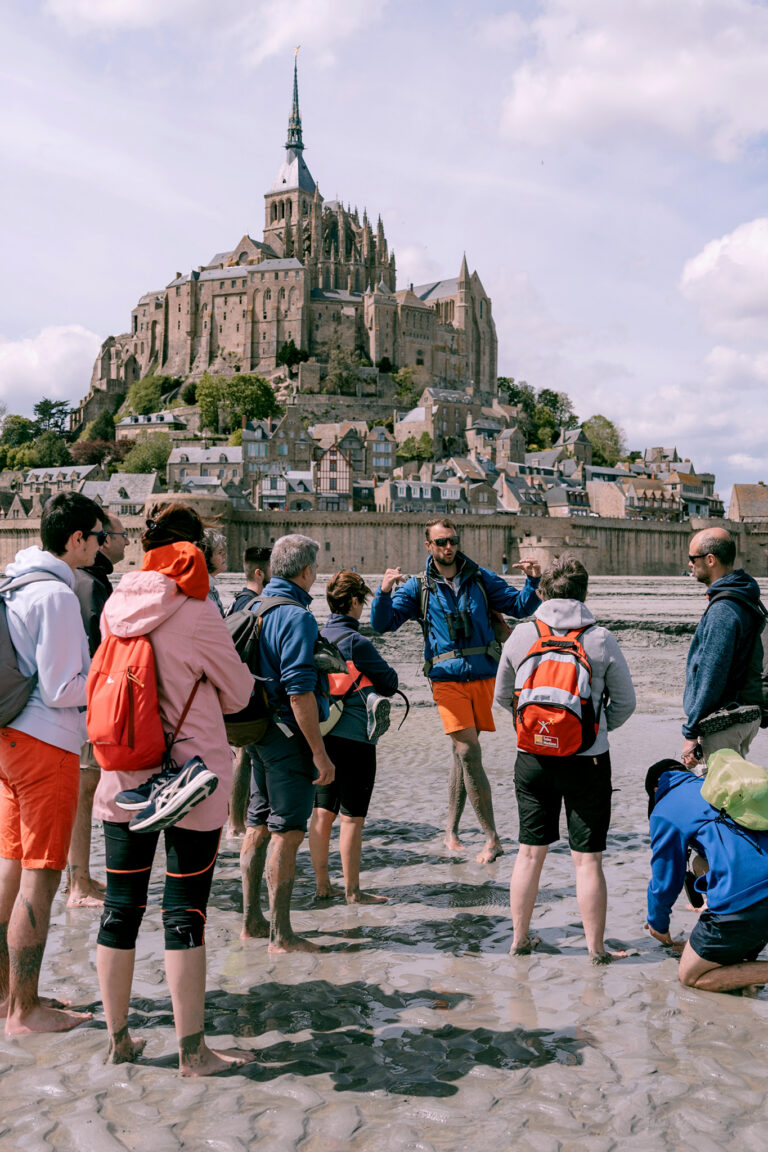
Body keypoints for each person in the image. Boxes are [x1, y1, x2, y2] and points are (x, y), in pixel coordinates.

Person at [91, 501, 255, 1074]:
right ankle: (193, 1053)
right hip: (193, 783)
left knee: (120, 908)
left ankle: (119, 1041)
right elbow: (237, 694)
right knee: (185, 911)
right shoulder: (196, 608)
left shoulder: (116, 606)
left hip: (125, 777)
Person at [370, 519, 541, 863]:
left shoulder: (480, 578)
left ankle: (450, 831)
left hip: (483, 679)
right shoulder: (417, 587)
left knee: (461, 755)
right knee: (468, 752)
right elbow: (382, 624)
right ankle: (492, 838)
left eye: (453, 541)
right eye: (441, 542)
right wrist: (384, 591)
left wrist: (533, 580)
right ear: (428, 546)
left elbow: (520, 606)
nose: (448, 547)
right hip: (446, 681)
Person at [494, 555, 636, 963]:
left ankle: (520, 939)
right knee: (587, 859)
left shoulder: (521, 636)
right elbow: (626, 703)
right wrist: (594, 730)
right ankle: (596, 950)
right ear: (584, 593)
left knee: (529, 852)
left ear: (542, 592)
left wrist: (538, 731)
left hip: (532, 758)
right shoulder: (601, 638)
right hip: (587, 759)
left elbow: (503, 698)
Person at [0, 490, 103, 1034]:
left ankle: (6, 994)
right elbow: (64, 687)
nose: (103, 545)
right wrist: (107, 677)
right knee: (42, 876)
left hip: (8, 736)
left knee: (10, 867)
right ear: (75, 540)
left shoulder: (13, 582)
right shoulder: (58, 597)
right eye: (97, 536)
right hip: (46, 743)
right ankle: (25, 1010)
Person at [239, 534, 335, 951]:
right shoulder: (296, 616)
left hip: (256, 733)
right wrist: (319, 753)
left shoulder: (252, 605)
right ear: (307, 571)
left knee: (257, 825)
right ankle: (282, 934)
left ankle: (251, 922)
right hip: (285, 736)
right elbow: (299, 692)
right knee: (288, 832)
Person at [309, 570, 398, 905]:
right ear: (356, 602)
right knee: (352, 817)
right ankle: (352, 890)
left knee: (321, 812)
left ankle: (322, 885)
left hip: (322, 735)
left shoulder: (316, 635)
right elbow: (390, 681)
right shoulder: (357, 642)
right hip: (356, 740)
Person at [646, 760, 768, 992]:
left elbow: (666, 878)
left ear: (655, 790)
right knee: (700, 861)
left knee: (690, 976)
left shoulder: (665, 808)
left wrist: (657, 924)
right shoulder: (716, 788)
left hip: (748, 895)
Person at [67, 515, 128, 907]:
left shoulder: (89, 581)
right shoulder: (90, 585)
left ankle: (80, 879)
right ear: (103, 541)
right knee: (84, 791)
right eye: (123, 535)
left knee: (85, 790)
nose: (128, 542)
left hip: (82, 700)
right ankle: (78, 885)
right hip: (87, 701)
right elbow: (96, 646)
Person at [682, 527, 764, 771]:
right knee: (735, 790)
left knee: (719, 797)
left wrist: (691, 732)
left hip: (722, 720)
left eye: (692, 558)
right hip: (743, 713)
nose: (689, 564)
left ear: (710, 560)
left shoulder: (724, 610)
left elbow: (712, 674)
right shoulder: (745, 594)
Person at [226, 545, 272, 836]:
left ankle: (239, 820)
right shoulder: (250, 605)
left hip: (238, 692)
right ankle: (236, 824)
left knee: (243, 757)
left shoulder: (238, 603)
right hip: (246, 694)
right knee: (243, 758)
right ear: (259, 572)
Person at [228, 545, 272, 616]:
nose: (277, 575)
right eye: (272, 570)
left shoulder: (241, 601)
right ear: (259, 574)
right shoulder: (251, 607)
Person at [201, 529, 227, 616]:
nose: (225, 555)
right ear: (206, 557)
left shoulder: (211, 588)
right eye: (220, 552)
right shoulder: (201, 592)